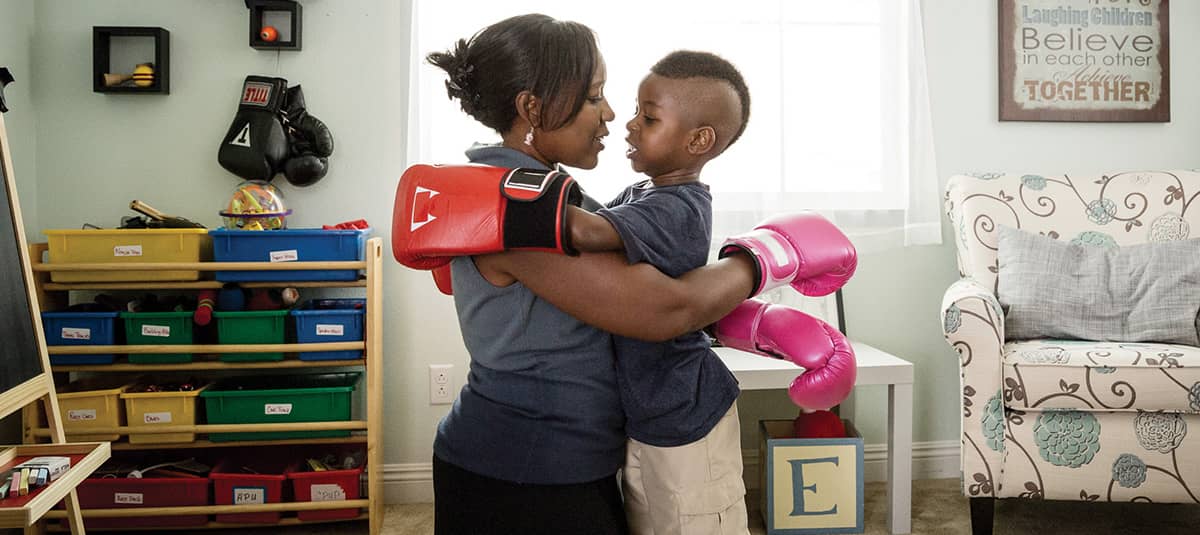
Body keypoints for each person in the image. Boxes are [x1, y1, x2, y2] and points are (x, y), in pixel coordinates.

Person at [408, 13, 857, 535]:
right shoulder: (515, 206)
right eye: (594, 95)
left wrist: (741, 318)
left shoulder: (546, 192)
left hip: (561, 457)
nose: (611, 114)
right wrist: (767, 256)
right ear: (533, 108)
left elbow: (643, 285)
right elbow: (665, 309)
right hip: (524, 468)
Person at [564, 50, 754, 534]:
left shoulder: (678, 207)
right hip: (645, 417)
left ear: (699, 140)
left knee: (695, 524)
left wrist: (502, 192)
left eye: (648, 118)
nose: (628, 125)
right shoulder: (642, 195)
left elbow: (584, 234)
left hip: (685, 418)